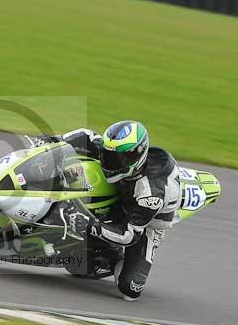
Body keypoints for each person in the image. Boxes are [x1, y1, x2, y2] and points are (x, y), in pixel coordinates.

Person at [34, 121, 181, 300]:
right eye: (108, 153)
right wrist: (55, 141)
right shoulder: (113, 153)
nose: (110, 161)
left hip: (144, 221)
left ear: (137, 156)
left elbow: (129, 236)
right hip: (122, 192)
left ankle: (112, 255)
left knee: (130, 289)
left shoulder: (150, 194)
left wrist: (89, 225)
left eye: (118, 158)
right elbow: (85, 135)